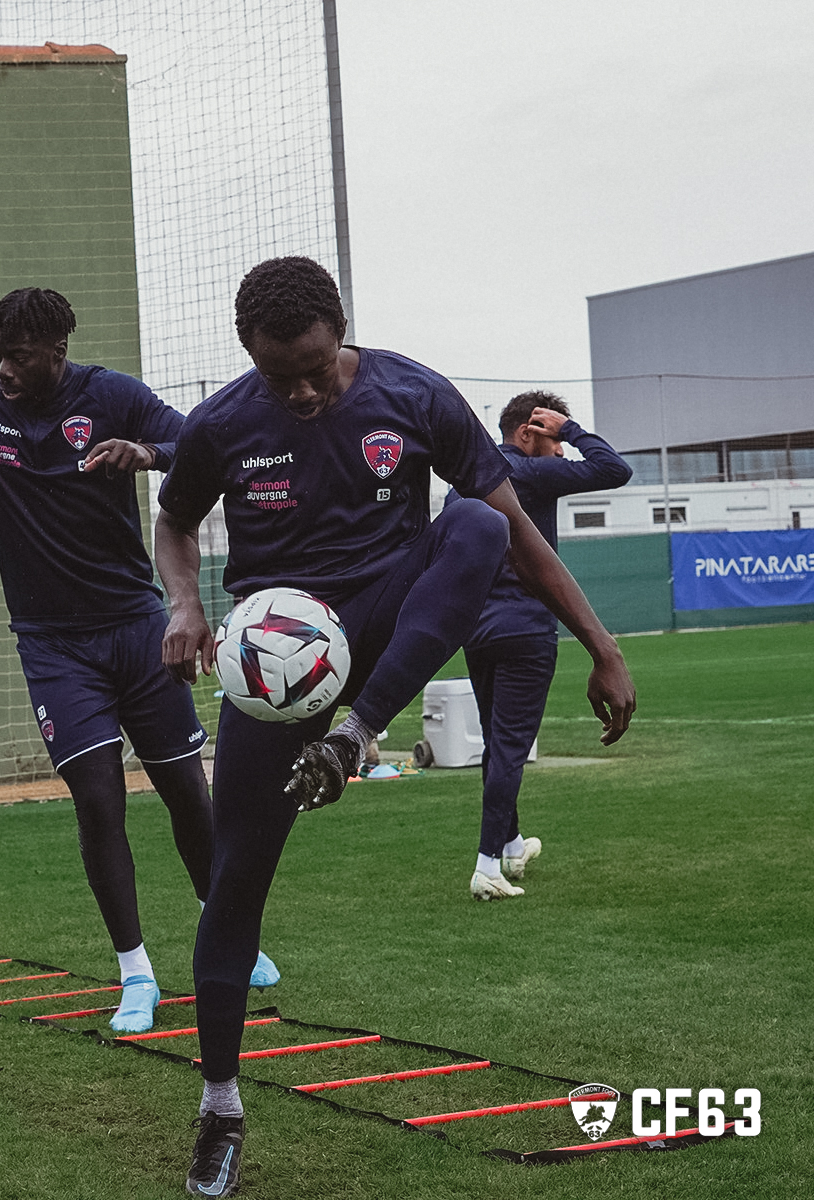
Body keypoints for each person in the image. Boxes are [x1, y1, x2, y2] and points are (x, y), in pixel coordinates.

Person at [153, 257, 635, 1196]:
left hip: (383, 625)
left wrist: (601, 646)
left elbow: (517, 533)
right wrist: (182, 605)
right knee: (232, 884)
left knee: (478, 526)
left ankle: (360, 735)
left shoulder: (414, 394)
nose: (297, 389)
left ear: (342, 330)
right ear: (247, 353)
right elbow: (173, 525)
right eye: (275, 371)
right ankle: (218, 1107)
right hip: (277, 667)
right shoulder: (220, 424)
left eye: (315, 366)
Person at [0, 288, 278, 1036]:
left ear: (57, 350)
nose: (5, 370)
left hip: (137, 628)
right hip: (51, 645)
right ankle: (134, 971)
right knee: (98, 801)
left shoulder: (111, 395)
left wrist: (145, 453)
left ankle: (228, 931)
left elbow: (194, 445)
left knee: (183, 789)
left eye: (19, 356)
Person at [454, 391, 632, 900]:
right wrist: (571, 430)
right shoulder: (530, 471)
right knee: (511, 748)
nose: (561, 454)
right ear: (528, 432)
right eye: (554, 441)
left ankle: (510, 844)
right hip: (526, 628)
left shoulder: (466, 477)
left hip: (476, 628)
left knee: (496, 742)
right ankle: (487, 865)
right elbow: (613, 470)